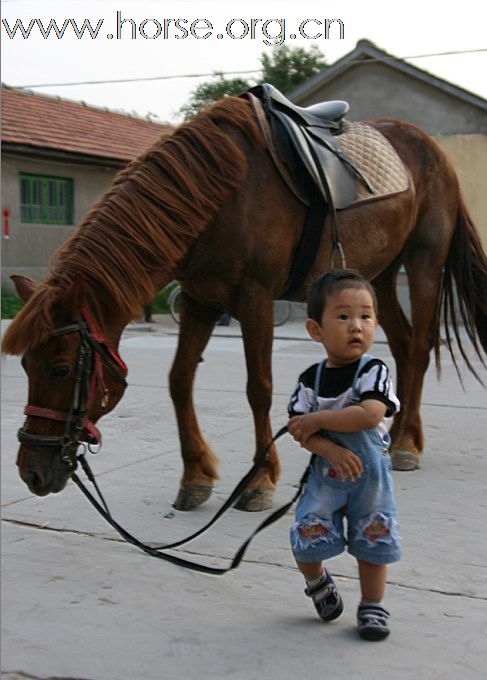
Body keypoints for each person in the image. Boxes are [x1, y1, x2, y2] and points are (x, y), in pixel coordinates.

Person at [287, 269, 401, 641]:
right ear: (315, 329)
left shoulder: (374, 371)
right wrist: (329, 448)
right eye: (343, 316)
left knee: (372, 540)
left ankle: (372, 604)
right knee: (306, 534)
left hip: (370, 480)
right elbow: (300, 431)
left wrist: (317, 418)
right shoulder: (310, 379)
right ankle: (317, 580)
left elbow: (369, 414)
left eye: (366, 316)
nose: (357, 326)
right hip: (327, 475)